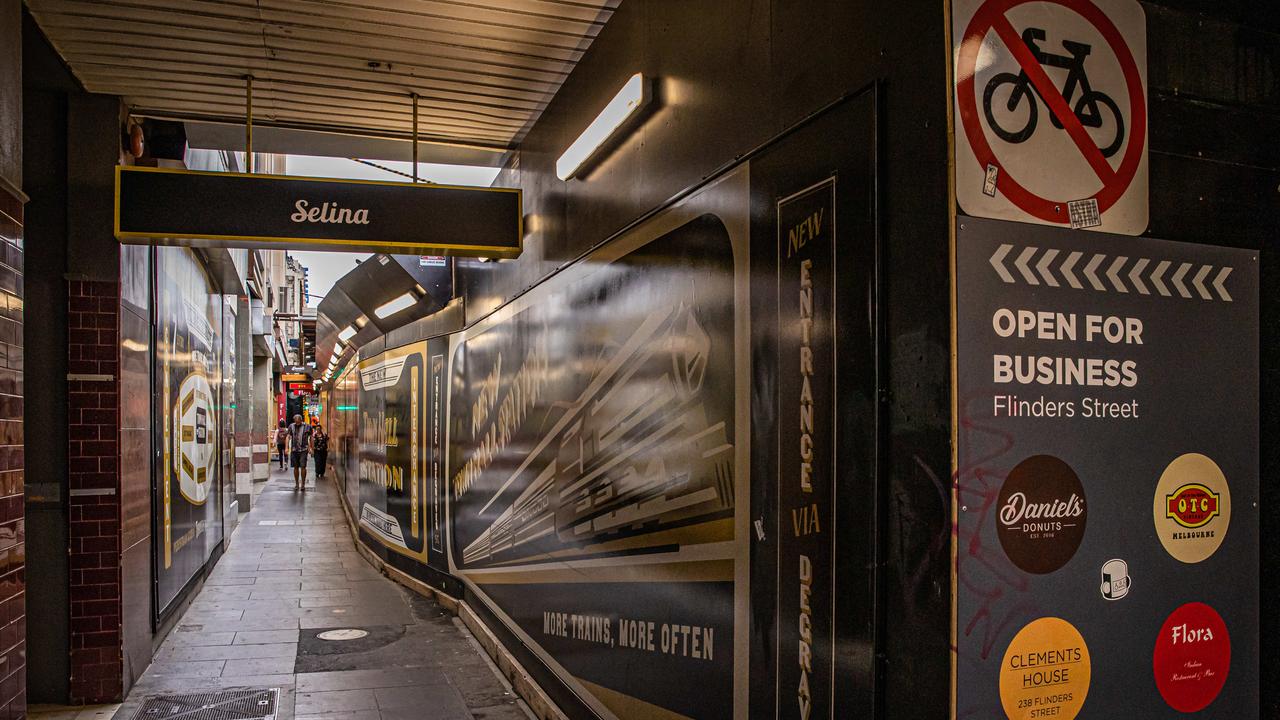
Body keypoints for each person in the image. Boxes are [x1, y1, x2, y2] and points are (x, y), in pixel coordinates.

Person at [286, 413, 313, 491]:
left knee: (303, 466)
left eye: (298, 422)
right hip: (294, 450)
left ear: (301, 420)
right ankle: (297, 484)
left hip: (304, 450)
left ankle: (303, 484)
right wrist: (286, 448)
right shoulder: (291, 426)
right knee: (295, 467)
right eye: (296, 422)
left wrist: (311, 448)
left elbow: (311, 437)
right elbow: (288, 437)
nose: (297, 423)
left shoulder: (308, 427)